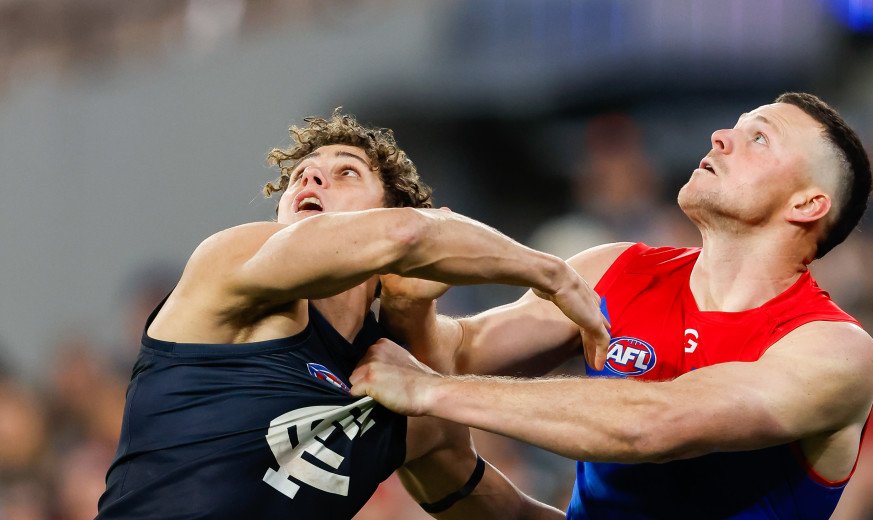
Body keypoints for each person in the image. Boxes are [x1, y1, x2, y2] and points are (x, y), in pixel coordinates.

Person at [351, 93, 873, 519]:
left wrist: (429, 389)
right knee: (428, 450)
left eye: (759, 138)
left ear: (807, 204)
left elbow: (656, 424)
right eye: (735, 127)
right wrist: (409, 304)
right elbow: (464, 349)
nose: (722, 137)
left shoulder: (834, 349)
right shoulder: (616, 269)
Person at [96, 111, 610, 519]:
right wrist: (554, 276)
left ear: (387, 210)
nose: (313, 176)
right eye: (303, 174)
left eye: (346, 173)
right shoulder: (230, 267)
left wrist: (413, 303)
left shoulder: (401, 389)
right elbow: (412, 234)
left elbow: (506, 514)